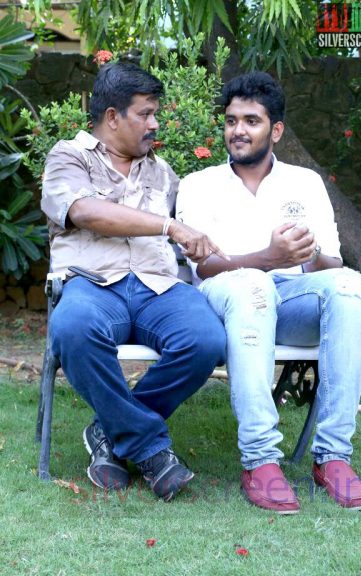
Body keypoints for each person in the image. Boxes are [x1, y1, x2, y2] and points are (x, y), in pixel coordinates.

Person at [176, 71, 361, 513]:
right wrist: (269, 256)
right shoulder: (198, 184)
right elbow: (204, 266)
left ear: (276, 130)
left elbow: (331, 265)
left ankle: (334, 455)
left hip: (293, 299)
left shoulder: (305, 183)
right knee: (252, 284)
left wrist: (309, 252)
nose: (238, 131)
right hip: (227, 299)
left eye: (251, 121)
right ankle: (261, 459)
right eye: (231, 121)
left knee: (351, 288)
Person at [41, 62, 227, 501]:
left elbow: (202, 234)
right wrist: (169, 227)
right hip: (91, 283)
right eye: (145, 113)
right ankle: (150, 449)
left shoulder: (162, 172)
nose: (155, 123)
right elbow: (85, 212)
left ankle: (109, 433)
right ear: (112, 117)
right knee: (72, 329)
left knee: (206, 340)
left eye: (155, 113)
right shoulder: (69, 156)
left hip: (158, 286)